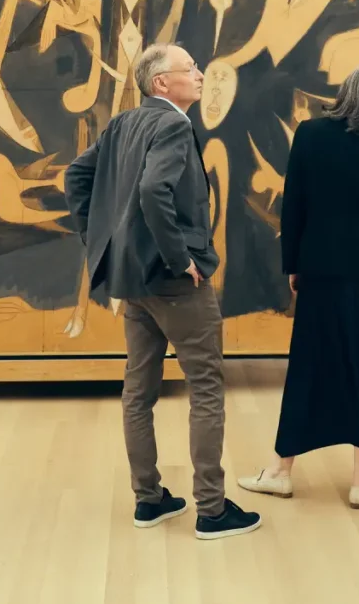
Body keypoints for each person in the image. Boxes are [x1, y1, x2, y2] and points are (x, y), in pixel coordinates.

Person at [63, 42, 261, 541]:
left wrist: (100, 239)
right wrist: (180, 258)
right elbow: (154, 190)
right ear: (161, 83)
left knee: (138, 390)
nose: (200, 74)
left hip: (133, 280)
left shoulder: (123, 123)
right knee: (206, 388)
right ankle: (212, 510)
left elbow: (76, 175)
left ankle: (148, 500)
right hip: (174, 282)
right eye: (189, 68)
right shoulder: (172, 126)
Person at [236, 62, 359, 509]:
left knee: (310, 368)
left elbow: (295, 206)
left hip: (323, 270)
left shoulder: (311, 135)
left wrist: (294, 265)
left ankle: (280, 472)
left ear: (348, 92)